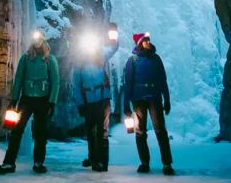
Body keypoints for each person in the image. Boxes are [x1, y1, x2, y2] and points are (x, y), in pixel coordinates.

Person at [0, 30, 60, 175]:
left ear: (43, 40)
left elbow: (55, 83)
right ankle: (9, 163)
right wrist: (14, 99)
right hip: (26, 99)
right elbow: (18, 79)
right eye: (34, 39)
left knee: (40, 132)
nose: (37, 42)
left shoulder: (50, 59)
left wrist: (52, 102)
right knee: (17, 130)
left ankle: (38, 162)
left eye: (39, 39)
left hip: (43, 100)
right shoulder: (25, 58)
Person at [123, 32, 175, 175]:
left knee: (160, 131)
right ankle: (144, 162)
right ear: (139, 43)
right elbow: (128, 84)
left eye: (148, 39)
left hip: (154, 98)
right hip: (138, 100)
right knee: (140, 132)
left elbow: (162, 80)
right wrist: (126, 104)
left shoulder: (156, 59)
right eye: (145, 40)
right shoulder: (132, 61)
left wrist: (167, 99)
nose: (148, 42)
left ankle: (167, 163)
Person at [73, 22, 119, 172]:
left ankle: (102, 162)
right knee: (91, 132)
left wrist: (113, 32)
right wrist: (80, 104)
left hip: (102, 100)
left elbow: (114, 47)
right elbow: (76, 86)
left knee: (102, 132)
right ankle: (93, 159)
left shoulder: (100, 56)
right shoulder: (79, 65)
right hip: (88, 102)